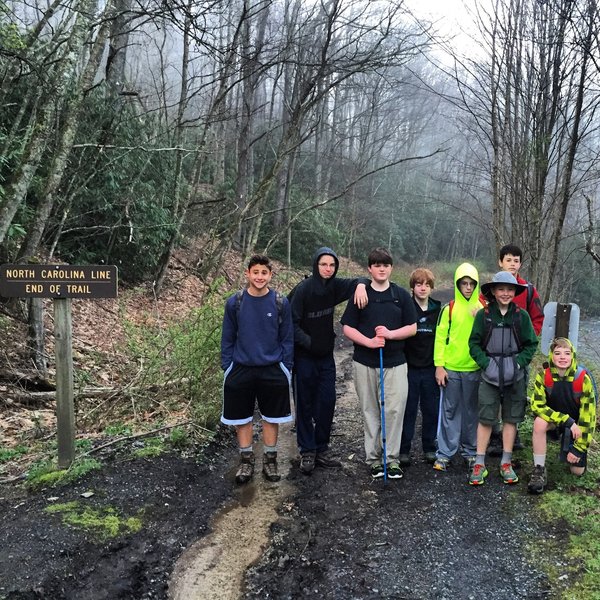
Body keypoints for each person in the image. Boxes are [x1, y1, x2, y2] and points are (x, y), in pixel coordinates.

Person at [290, 247, 368, 474]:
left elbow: (359, 280)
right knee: (304, 404)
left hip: (326, 358)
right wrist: (309, 343)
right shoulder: (303, 290)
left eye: (332, 265)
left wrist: (362, 285)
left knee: (327, 401)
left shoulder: (334, 287)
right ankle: (307, 451)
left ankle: (321, 448)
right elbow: (290, 324)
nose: (328, 268)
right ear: (316, 265)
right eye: (324, 264)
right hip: (304, 356)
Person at [341, 248, 417, 480]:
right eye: (376, 265)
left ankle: (391, 460)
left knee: (394, 410)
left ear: (391, 268)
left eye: (385, 265)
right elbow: (347, 327)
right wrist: (370, 342)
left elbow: (412, 327)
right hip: (365, 362)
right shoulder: (360, 294)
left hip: (395, 363)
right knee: (371, 411)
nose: (381, 268)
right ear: (370, 269)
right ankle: (374, 459)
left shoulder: (401, 295)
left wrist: (390, 334)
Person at [221, 254, 294, 485]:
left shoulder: (281, 302)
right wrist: (228, 367)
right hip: (240, 368)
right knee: (242, 419)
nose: (260, 277)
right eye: (256, 272)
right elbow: (227, 338)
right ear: (248, 274)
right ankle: (246, 461)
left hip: (272, 368)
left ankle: (270, 460)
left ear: (270, 275)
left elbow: (287, 338)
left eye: (264, 272)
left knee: (271, 417)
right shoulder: (235, 302)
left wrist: (285, 366)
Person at [467, 271, 538, 485]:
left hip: (514, 375)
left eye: (509, 289)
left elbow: (531, 344)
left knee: (511, 418)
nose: (505, 293)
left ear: (515, 291)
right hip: (489, 375)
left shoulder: (521, 316)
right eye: (501, 289)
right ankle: (479, 464)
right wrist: (486, 364)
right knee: (486, 418)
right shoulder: (485, 315)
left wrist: (518, 363)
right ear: (494, 291)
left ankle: (506, 463)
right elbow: (474, 344)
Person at [488, 243, 544, 454]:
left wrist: (527, 342)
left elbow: (537, 319)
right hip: (493, 354)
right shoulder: (491, 289)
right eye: (508, 260)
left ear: (520, 264)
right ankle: (494, 435)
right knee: (493, 394)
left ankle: (514, 432)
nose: (512, 264)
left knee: (516, 393)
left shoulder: (528, 290)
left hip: (519, 354)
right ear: (500, 262)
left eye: (516, 260)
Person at [432, 263, 484, 472]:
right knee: (449, 411)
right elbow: (440, 338)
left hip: (474, 369)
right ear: (457, 284)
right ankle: (444, 454)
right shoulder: (449, 309)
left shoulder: (482, 309)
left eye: (472, 283)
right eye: (464, 283)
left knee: (472, 412)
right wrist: (439, 366)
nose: (469, 287)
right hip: (451, 369)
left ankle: (471, 452)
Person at [527, 337, 596, 494]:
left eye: (567, 353)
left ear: (573, 356)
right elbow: (537, 406)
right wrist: (566, 420)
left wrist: (579, 448)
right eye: (557, 353)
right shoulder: (544, 376)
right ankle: (539, 469)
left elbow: (588, 418)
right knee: (539, 422)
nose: (562, 357)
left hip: (576, 427)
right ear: (551, 356)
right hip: (556, 422)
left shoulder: (583, 379)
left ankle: (573, 449)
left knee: (576, 472)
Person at [399, 268, 441, 466]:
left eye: (426, 285)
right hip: (409, 368)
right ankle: (403, 450)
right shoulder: (406, 308)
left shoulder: (438, 311)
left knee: (431, 410)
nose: (422, 288)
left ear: (432, 288)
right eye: (418, 284)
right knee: (408, 410)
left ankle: (429, 448)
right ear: (412, 287)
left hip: (431, 368)